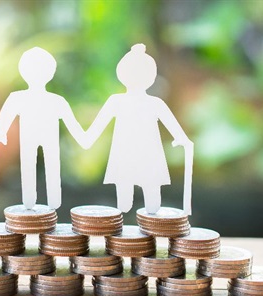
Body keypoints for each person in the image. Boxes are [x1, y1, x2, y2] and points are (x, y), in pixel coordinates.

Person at [82, 44, 193, 214]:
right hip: (133, 155)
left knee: (149, 203)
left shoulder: (141, 102)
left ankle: (143, 224)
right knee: (131, 202)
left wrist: (183, 139)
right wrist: (183, 140)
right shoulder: (127, 102)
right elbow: (96, 128)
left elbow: (94, 130)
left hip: (141, 155)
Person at [0, 47, 85, 209]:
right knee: (33, 167)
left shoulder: (26, 99)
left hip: (41, 140)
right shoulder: (55, 101)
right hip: (31, 140)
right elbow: (0, 127)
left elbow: (0, 128)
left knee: (45, 166)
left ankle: (46, 201)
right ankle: (39, 201)